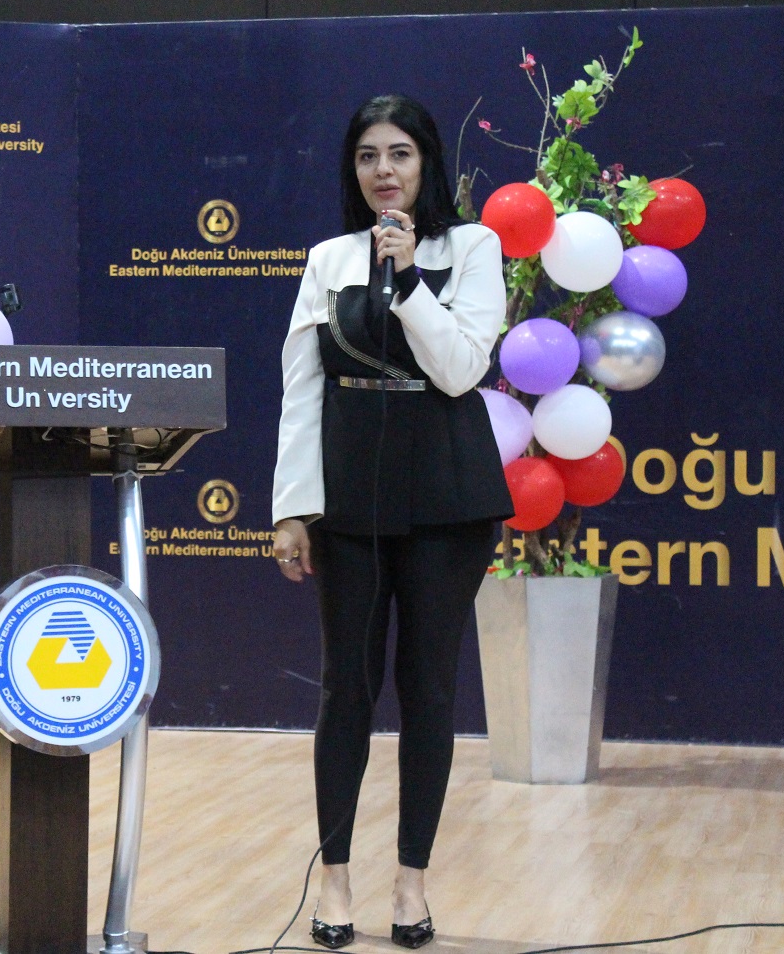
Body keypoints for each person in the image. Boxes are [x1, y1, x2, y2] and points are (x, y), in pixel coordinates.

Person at [271, 94, 513, 949]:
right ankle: (334, 879)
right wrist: (292, 507)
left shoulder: (471, 248)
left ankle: (412, 882)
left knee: (429, 689)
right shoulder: (328, 259)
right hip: (349, 494)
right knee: (346, 687)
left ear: (427, 164)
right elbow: (302, 388)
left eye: (400, 154)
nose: (383, 171)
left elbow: (460, 370)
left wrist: (408, 280)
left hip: (447, 494)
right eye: (368, 155)